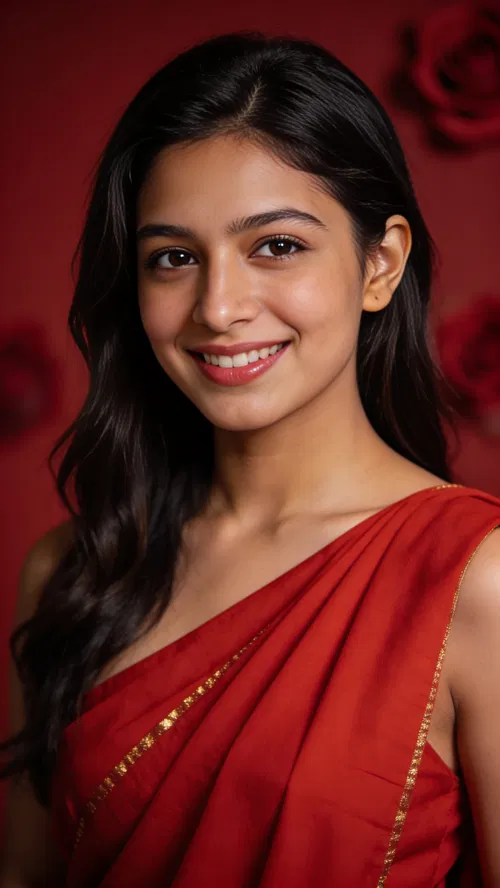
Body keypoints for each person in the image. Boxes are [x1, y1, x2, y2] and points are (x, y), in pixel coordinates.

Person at [1, 29, 499, 888]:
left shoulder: (479, 582)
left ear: (380, 264)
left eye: (276, 245)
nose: (219, 306)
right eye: (175, 258)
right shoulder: (78, 570)